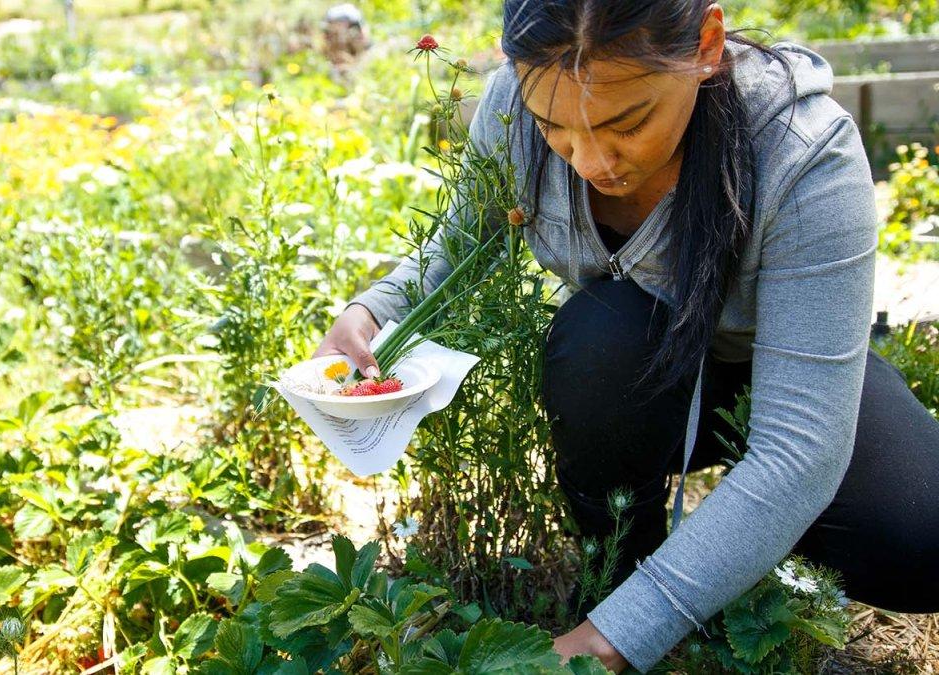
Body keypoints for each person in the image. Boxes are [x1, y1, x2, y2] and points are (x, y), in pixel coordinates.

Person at [313, 1, 939, 671]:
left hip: (775, 369)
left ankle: (722, 563)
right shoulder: (514, 112)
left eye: (628, 121)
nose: (592, 161)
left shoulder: (802, 149)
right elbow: (463, 240)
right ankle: (620, 565)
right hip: (630, 375)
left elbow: (799, 450)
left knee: (917, 539)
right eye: (557, 128)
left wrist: (608, 642)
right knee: (598, 339)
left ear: (706, 43)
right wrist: (373, 312)